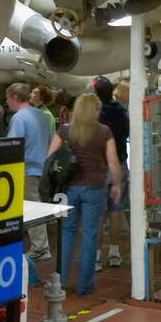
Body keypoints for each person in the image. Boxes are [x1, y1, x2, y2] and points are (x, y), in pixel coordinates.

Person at [45, 92, 122, 296]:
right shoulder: (104, 131)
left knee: (67, 232)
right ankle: (85, 286)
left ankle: (59, 283)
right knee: (89, 234)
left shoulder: (65, 130)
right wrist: (117, 184)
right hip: (95, 188)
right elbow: (113, 161)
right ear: (95, 110)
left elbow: (50, 157)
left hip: (69, 188)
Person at [4, 82, 52, 263]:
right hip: (41, 167)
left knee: (32, 208)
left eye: (8, 98)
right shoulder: (41, 115)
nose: (6, 102)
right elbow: (49, 140)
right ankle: (39, 245)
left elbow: (13, 145)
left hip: (26, 169)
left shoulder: (18, 118)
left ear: (15, 98)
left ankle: (41, 248)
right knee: (36, 206)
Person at [94, 76, 130, 269]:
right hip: (121, 164)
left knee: (100, 214)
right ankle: (115, 254)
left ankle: (97, 257)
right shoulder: (122, 113)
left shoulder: (97, 115)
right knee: (116, 211)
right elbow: (126, 134)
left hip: (100, 166)